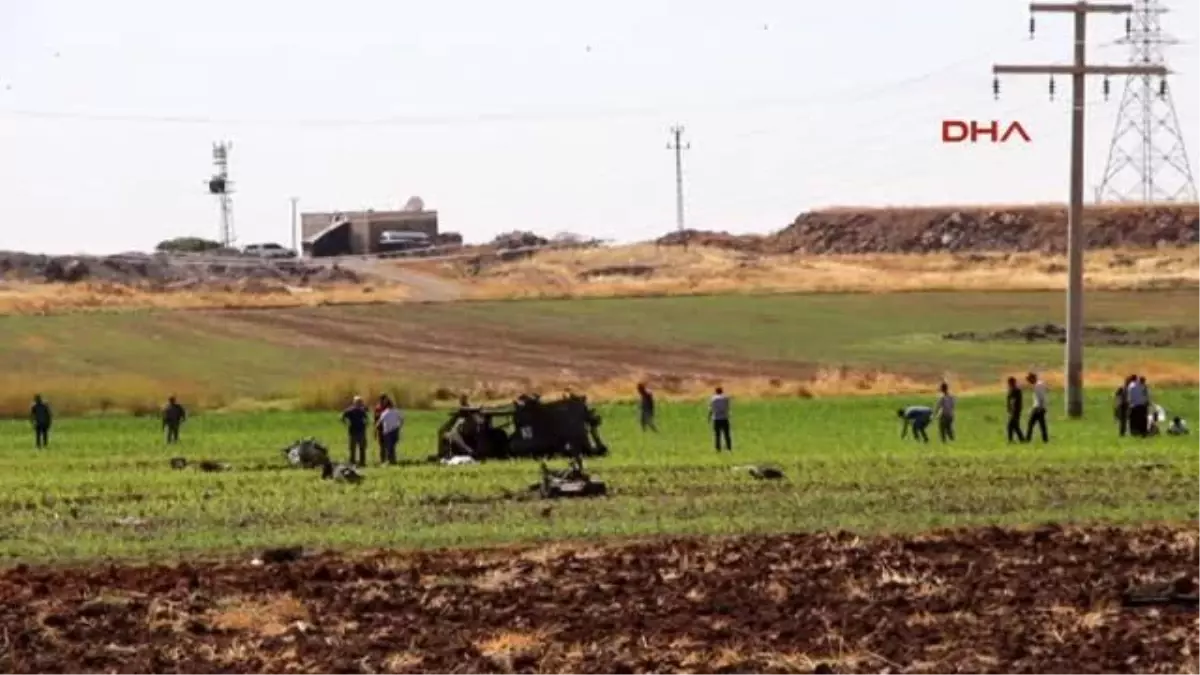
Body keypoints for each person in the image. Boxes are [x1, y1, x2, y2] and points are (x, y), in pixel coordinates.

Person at [340, 395, 369, 466]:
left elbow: (341, 417)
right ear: (355, 402)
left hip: (355, 431)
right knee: (358, 448)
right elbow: (367, 419)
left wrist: (346, 423)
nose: (360, 403)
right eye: (359, 402)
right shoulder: (357, 410)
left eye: (360, 402)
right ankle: (359, 462)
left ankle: (356, 462)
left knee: (356, 448)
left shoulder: (354, 410)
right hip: (357, 432)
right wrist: (366, 424)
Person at [376, 396, 402, 465]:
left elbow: (379, 422)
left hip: (388, 432)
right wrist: (399, 426)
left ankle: (390, 461)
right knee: (392, 447)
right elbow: (401, 420)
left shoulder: (385, 413)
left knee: (389, 447)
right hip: (395, 431)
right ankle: (392, 460)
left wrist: (376, 429)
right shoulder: (396, 411)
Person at [1024, 372, 1048, 443]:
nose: (1029, 382)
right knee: (1041, 425)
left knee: (1031, 424)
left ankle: (1028, 439)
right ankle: (1045, 440)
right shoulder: (1040, 384)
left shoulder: (1038, 385)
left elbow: (1041, 397)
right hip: (1039, 407)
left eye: (1029, 379)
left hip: (1038, 408)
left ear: (1033, 378)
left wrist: (1040, 407)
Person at [708, 387, 731, 451]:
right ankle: (729, 447)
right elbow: (728, 407)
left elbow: (711, 409)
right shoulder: (726, 398)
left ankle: (718, 448)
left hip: (716, 418)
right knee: (727, 434)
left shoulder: (713, 399)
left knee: (717, 435)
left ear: (716, 391)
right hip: (724, 418)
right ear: (722, 391)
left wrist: (709, 417)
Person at [1005, 376, 1025, 443]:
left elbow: (1014, 401)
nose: (1009, 384)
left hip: (1015, 411)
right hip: (1012, 411)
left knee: (1010, 426)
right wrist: (1009, 409)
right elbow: (1009, 401)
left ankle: (1011, 440)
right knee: (1015, 426)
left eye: (1010, 382)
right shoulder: (1011, 390)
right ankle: (1022, 440)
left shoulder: (1016, 390)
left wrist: (1013, 411)